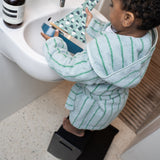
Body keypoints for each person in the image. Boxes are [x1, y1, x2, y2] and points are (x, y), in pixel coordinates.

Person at [41, 0, 160, 137]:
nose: (110, 9)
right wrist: (92, 24)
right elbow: (115, 32)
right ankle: (89, 126)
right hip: (114, 99)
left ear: (127, 18)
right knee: (93, 121)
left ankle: (75, 131)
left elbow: (69, 69)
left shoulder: (104, 54)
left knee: (78, 120)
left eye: (112, 5)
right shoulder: (145, 36)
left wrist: (53, 45)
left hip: (93, 103)